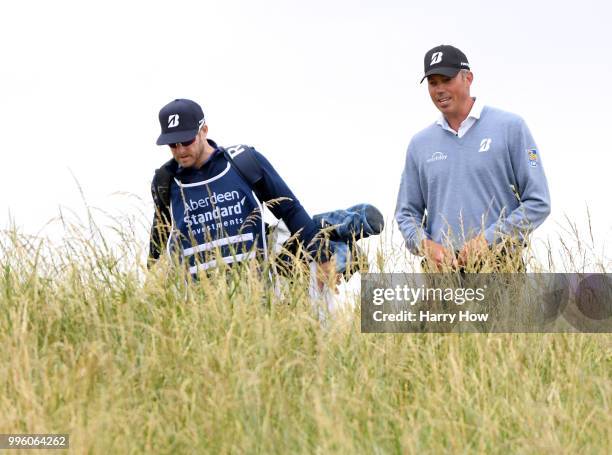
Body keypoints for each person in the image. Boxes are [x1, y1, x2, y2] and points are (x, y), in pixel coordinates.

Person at [395, 45, 551, 272]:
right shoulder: (420, 144)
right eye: (433, 83)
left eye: (446, 80)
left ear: (468, 78)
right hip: (441, 275)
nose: (439, 89)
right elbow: (407, 213)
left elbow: (538, 202)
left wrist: (489, 240)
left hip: (501, 267)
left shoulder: (510, 128)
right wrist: (426, 246)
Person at [148, 98, 336, 285]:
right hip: (198, 305)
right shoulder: (166, 180)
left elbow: (290, 209)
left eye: (186, 140)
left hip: (256, 298)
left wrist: (323, 258)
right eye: (173, 144)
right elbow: (160, 239)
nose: (180, 150)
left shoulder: (243, 161)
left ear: (204, 130)